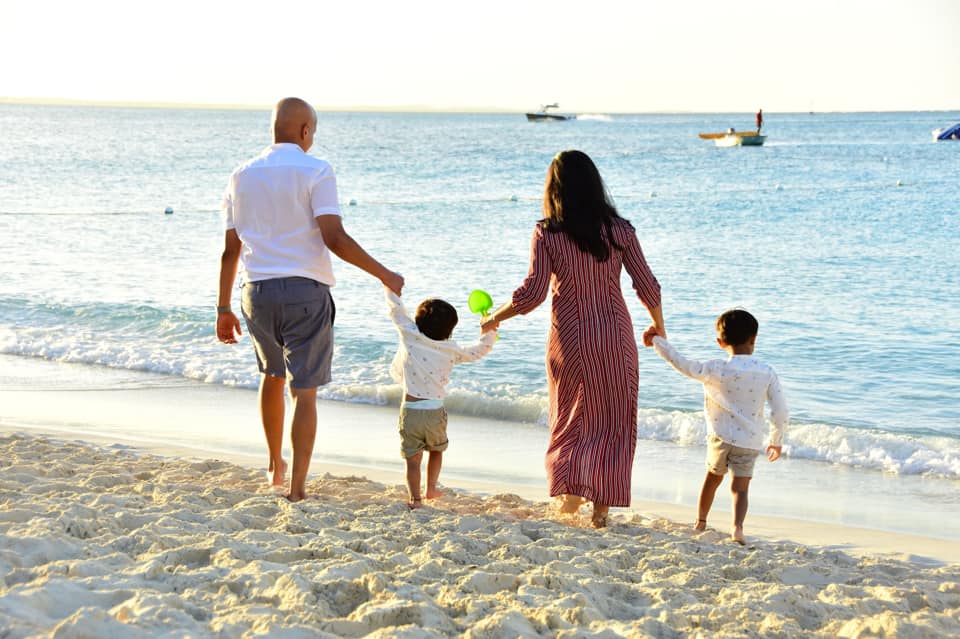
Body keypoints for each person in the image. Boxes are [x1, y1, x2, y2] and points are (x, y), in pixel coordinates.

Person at [216, 97, 404, 502]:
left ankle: (273, 467)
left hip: (256, 293)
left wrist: (223, 308)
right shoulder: (317, 170)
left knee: (272, 375)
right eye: (313, 130)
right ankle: (298, 487)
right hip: (305, 292)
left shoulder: (241, 175)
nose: (312, 137)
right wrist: (384, 273)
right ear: (304, 131)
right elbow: (333, 237)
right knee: (305, 389)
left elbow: (230, 250)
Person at [480, 150, 665, 528]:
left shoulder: (548, 233)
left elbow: (531, 295)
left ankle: (570, 496)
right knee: (614, 419)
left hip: (571, 339)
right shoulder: (620, 230)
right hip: (616, 336)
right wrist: (657, 326)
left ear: (555, 188)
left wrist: (493, 318)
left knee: (571, 417)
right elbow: (648, 285)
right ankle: (601, 509)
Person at [646, 308, 788, 544]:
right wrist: (776, 439)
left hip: (720, 437)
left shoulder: (715, 368)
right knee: (740, 489)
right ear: (754, 339)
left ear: (720, 342)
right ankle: (737, 528)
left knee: (712, 478)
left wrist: (658, 341)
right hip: (749, 441)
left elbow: (682, 364)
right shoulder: (767, 372)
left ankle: (701, 521)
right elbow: (781, 410)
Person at [386, 288, 496, 509]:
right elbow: (479, 351)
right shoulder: (451, 350)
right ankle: (431, 489)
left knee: (412, 460)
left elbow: (396, 311)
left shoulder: (410, 335)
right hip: (435, 412)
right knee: (437, 450)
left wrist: (390, 287)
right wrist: (488, 330)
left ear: (418, 323)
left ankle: (415, 499)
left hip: (410, 410)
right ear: (450, 330)